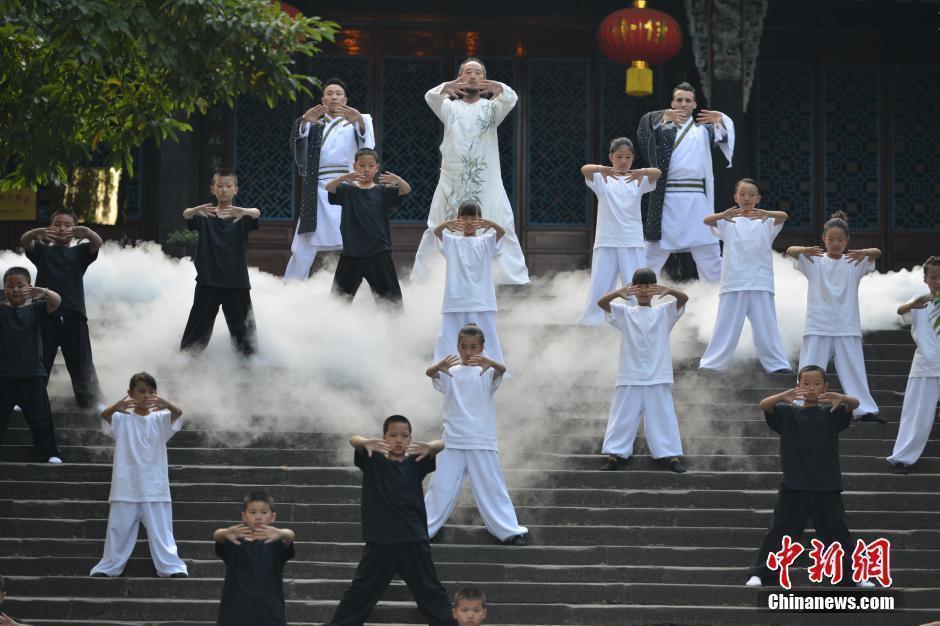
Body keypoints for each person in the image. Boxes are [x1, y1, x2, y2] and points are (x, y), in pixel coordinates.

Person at [745, 365, 874, 588]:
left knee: (838, 533)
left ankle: (855, 575)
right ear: (798, 387)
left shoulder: (831, 413)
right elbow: (764, 405)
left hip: (827, 485)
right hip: (794, 485)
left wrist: (841, 397)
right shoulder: (788, 413)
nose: (811, 388)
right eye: (805, 384)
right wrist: (784, 396)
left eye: (816, 384)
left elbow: (855, 404)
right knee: (779, 532)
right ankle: (759, 573)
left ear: (825, 387)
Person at [324, 415, 457, 626]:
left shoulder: (416, 461)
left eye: (404, 436)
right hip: (380, 540)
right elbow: (353, 440)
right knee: (361, 591)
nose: (398, 440)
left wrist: (430, 446)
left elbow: (440, 444)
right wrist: (365, 442)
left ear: (411, 438)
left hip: (412, 539)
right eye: (392, 435)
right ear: (383, 437)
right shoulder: (373, 459)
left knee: (431, 591)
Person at [411, 57, 529, 285]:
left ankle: (506, 278)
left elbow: (511, 98)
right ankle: (433, 276)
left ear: (484, 79)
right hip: (452, 177)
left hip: (486, 178)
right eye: (467, 72)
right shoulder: (450, 107)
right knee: (441, 220)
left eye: (478, 72)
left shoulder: (493, 108)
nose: (472, 76)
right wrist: (446, 87)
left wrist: (500, 88)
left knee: (496, 217)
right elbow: (430, 97)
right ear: (460, 77)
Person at [424, 325, 528, 545]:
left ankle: (509, 530)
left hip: (481, 439)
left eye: (473, 347)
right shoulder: (449, 371)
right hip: (452, 439)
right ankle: (423, 529)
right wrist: (437, 366)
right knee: (440, 486)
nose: (468, 351)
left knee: (492, 486)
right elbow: (430, 374)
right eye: (463, 347)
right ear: (457, 347)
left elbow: (502, 370)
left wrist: (491, 362)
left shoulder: (487, 371)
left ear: (482, 348)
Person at [786, 211, 882, 422]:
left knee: (854, 369)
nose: (835, 243)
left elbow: (877, 252)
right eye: (831, 239)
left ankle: (863, 409)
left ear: (847, 240)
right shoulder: (815, 261)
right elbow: (790, 250)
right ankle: (801, 404)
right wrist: (803, 249)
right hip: (817, 323)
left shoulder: (854, 262)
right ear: (823, 239)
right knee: (809, 366)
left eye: (840, 239)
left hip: (846, 324)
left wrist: (864, 251)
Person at [90, 372, 188, 578]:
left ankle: (171, 567)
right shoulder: (121, 419)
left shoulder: (160, 418)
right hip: (126, 484)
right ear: (130, 393)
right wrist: (116, 406)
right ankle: (108, 567)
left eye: (151, 392)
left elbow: (178, 413)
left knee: (162, 532)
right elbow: (104, 417)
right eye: (141, 391)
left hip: (155, 485)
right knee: (118, 531)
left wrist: (166, 403)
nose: (146, 396)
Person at [636, 82, 735, 282]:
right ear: (672, 103)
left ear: (694, 104)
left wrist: (722, 120)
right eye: (679, 100)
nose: (683, 104)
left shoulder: (704, 131)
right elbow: (642, 132)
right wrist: (662, 116)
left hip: (697, 199)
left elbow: (725, 138)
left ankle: (718, 305)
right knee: (650, 257)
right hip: (666, 199)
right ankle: (634, 301)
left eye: (687, 100)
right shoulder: (661, 129)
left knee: (710, 256)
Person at [597, 268, 689, 473]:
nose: (645, 291)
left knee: (663, 416)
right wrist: (617, 293)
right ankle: (614, 455)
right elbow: (601, 303)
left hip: (658, 374)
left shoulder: (664, 312)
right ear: (634, 288)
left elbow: (684, 298)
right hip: (630, 373)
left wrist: (669, 290)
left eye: (649, 286)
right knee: (622, 416)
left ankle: (671, 456)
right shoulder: (625, 312)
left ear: (655, 288)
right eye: (640, 286)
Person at [285, 77, 375, 280]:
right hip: (316, 188)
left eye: (338, 94)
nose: (334, 97)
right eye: (329, 93)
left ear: (345, 99)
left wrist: (360, 121)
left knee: (355, 238)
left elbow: (368, 147)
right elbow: (296, 144)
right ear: (323, 99)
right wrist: (303, 122)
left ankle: (362, 287)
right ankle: (291, 287)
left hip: (348, 186)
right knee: (304, 243)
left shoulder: (356, 121)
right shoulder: (313, 122)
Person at [698, 178, 791, 373]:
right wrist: (724, 214)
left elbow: (784, 215)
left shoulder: (766, 221)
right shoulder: (728, 221)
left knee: (767, 326)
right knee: (725, 325)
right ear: (735, 197)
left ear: (758, 198)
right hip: (733, 281)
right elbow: (707, 220)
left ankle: (777, 365)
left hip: (760, 281)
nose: (746, 198)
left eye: (751, 195)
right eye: (742, 194)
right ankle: (712, 363)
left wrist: (767, 213)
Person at [21, 210, 104, 410]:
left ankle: (91, 402)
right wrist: (36, 232)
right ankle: (28, 400)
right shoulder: (42, 251)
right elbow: (25, 241)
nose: (62, 228)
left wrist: (88, 232)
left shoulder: (79, 252)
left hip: (73, 315)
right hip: (43, 314)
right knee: (38, 360)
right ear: (50, 227)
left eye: (67, 225)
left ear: (74, 229)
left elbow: (97, 244)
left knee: (81, 362)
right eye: (57, 224)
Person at [576, 139, 661, 325]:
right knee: (600, 283)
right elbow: (584, 169)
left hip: (632, 239)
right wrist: (600, 168)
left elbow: (658, 173)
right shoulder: (601, 179)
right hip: (606, 239)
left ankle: (637, 317)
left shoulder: (639, 179)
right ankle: (594, 319)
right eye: (619, 157)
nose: (623, 161)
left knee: (635, 283)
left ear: (633, 159)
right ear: (611, 157)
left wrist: (643, 171)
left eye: (628, 157)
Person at [179, 169, 261, 356]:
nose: (224, 190)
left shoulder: (241, 216)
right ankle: (185, 364)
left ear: (236, 190)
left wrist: (246, 211)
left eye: (228, 186)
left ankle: (250, 368)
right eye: (220, 186)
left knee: (244, 333)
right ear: (213, 189)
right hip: (208, 281)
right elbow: (186, 215)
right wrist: (193, 210)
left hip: (236, 282)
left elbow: (256, 213)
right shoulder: (205, 216)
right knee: (197, 330)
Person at [324, 148, 410, 306]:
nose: (366, 169)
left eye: (371, 165)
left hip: (379, 251)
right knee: (337, 302)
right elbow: (328, 187)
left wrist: (398, 180)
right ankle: (332, 329)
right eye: (362, 165)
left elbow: (406, 190)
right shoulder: (347, 190)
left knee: (391, 302)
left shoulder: (382, 191)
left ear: (377, 167)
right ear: (355, 166)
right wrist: (344, 177)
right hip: (352, 252)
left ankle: (396, 329)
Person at [0, 267, 62, 463]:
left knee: (41, 418)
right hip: (4, 375)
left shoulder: (36, 309)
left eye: (20, 285)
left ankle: (50, 452)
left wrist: (42, 292)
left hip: (32, 374)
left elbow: (56, 301)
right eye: (10, 286)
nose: (16, 290)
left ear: (29, 286)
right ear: (4, 289)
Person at [432, 202, 506, 364]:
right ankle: (448, 369)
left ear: (480, 219)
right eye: (464, 218)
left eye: (473, 218)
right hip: (455, 298)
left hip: (481, 299)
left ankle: (491, 368)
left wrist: (491, 224)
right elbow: (436, 232)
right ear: (458, 220)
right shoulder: (452, 242)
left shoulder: (486, 241)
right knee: (450, 336)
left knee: (486, 335)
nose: (469, 222)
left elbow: (502, 232)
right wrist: (448, 224)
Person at [888, 256, 940, 474]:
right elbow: (901, 312)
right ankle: (902, 458)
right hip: (926, 365)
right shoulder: (919, 301)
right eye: (934, 277)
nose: (938, 281)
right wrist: (913, 304)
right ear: (925, 279)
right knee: (916, 414)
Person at [213, 492, 295, 626]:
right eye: (252, 512)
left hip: (269, 612)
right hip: (235, 612)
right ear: (243, 516)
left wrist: (281, 533)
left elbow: (290, 536)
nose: (258, 517)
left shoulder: (276, 543)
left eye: (264, 512)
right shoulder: (234, 542)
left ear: (272, 516)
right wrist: (224, 532)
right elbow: (217, 536)